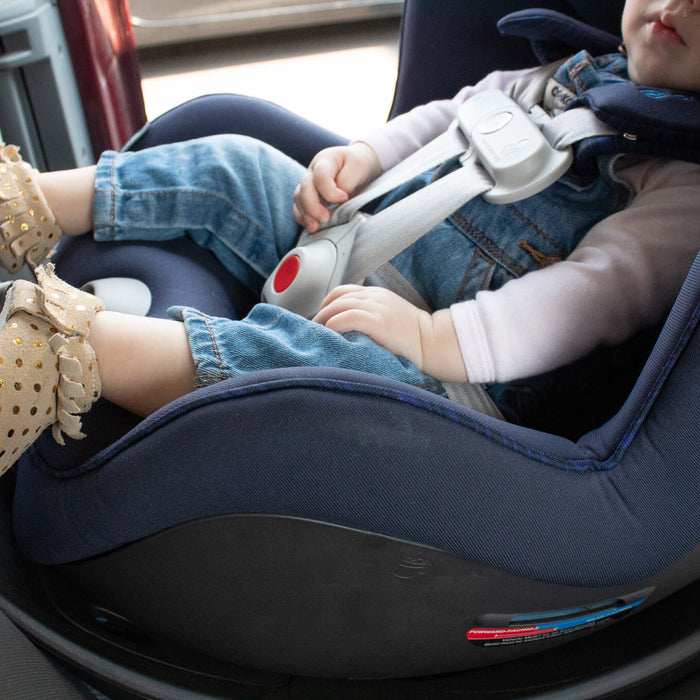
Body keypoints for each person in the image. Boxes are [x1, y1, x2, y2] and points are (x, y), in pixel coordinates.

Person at [1, 0, 699, 476]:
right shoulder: (572, 72)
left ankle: (66, 350)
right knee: (235, 164)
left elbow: (590, 295)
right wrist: (364, 158)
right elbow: (450, 118)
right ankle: (27, 203)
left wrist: (433, 339)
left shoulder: (683, 189)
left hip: (452, 369)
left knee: (320, 372)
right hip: (359, 233)